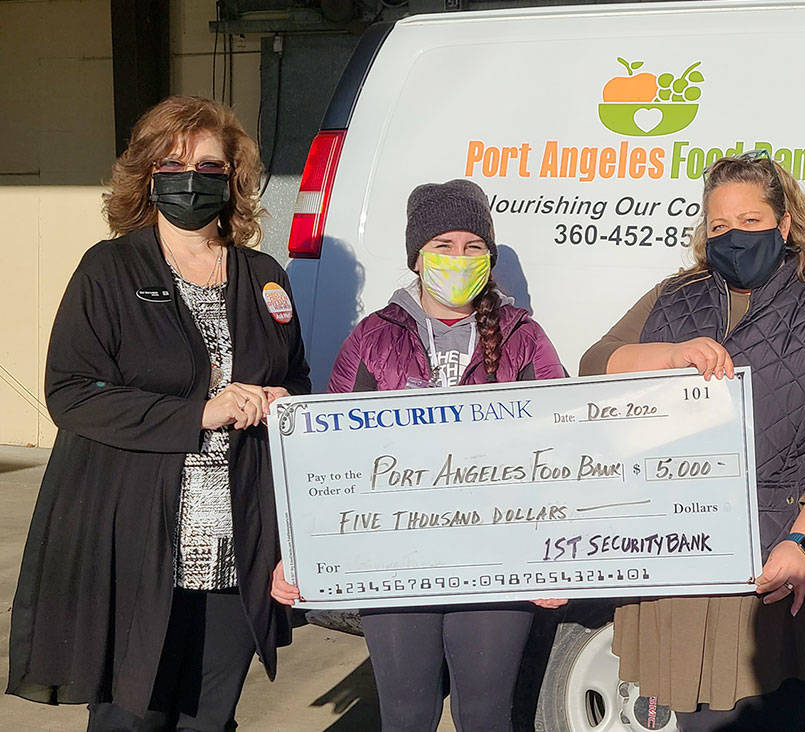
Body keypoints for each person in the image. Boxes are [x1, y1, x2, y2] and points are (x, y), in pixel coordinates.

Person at [7, 95, 311, 731]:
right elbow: (72, 392)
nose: (193, 178)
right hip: (139, 542)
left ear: (233, 180)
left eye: (210, 165)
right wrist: (198, 413)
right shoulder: (110, 269)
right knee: (132, 716)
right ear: (148, 176)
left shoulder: (263, 277)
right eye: (175, 164)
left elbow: (297, 381)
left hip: (236, 544)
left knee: (209, 718)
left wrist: (289, 407)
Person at [580, 151, 805, 730]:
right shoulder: (675, 297)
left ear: (784, 225)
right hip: (688, 563)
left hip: (782, 571)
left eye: (750, 221)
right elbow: (596, 364)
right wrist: (668, 356)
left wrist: (804, 545)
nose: (733, 236)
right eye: (719, 225)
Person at [270, 179, 567, 732]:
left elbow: (563, 449)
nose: (458, 259)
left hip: (496, 557)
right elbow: (325, 456)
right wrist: (301, 552)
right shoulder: (371, 338)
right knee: (406, 714)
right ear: (417, 256)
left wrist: (556, 556)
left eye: (473, 247)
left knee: (484, 713)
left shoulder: (525, 337)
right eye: (443, 246)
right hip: (395, 557)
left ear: (490, 256)